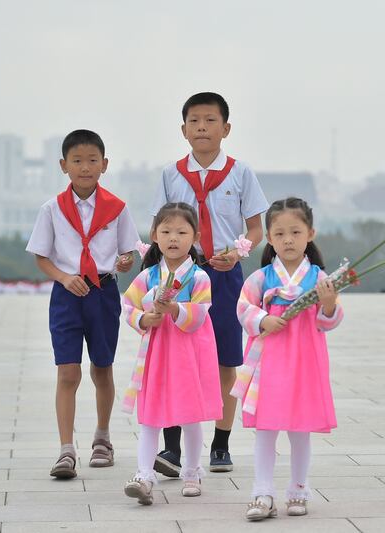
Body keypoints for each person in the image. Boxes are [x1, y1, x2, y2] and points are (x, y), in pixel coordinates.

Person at [150, 91, 268, 474]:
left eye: (210, 120)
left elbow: (256, 227)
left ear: (226, 128)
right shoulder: (170, 174)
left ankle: (221, 443)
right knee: (174, 356)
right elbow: (159, 225)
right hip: (180, 274)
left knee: (225, 359)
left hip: (223, 272)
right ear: (183, 130)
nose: (202, 127)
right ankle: (171, 448)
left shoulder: (240, 172)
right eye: (195, 121)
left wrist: (237, 253)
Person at [26, 129, 138, 479]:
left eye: (92, 160)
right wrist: (63, 277)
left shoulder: (117, 208)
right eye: (77, 160)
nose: (85, 167)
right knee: (68, 372)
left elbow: (129, 251)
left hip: (103, 294)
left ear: (104, 164)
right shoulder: (52, 210)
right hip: (67, 296)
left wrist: (124, 262)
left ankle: (102, 439)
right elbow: (41, 258)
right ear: (63, 166)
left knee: (102, 368)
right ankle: (65, 449)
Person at [235, 197, 343, 520]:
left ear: (310, 233)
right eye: (280, 233)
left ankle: (298, 489)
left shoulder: (321, 279)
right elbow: (243, 308)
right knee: (266, 429)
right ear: (269, 238)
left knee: (300, 429)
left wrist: (328, 304)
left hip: (305, 362)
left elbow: (330, 320)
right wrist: (262, 320)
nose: (288, 240)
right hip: (269, 363)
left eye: (295, 232)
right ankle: (262, 491)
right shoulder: (262, 278)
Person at [121, 202, 222, 504]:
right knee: (150, 414)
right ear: (154, 235)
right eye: (166, 231)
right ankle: (143, 473)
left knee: (190, 415)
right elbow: (128, 306)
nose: (173, 238)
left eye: (181, 231)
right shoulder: (148, 276)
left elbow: (201, 312)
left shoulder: (199, 278)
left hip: (187, 354)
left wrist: (175, 308)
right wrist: (144, 318)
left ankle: (191, 471)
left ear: (196, 236)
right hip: (156, 353)